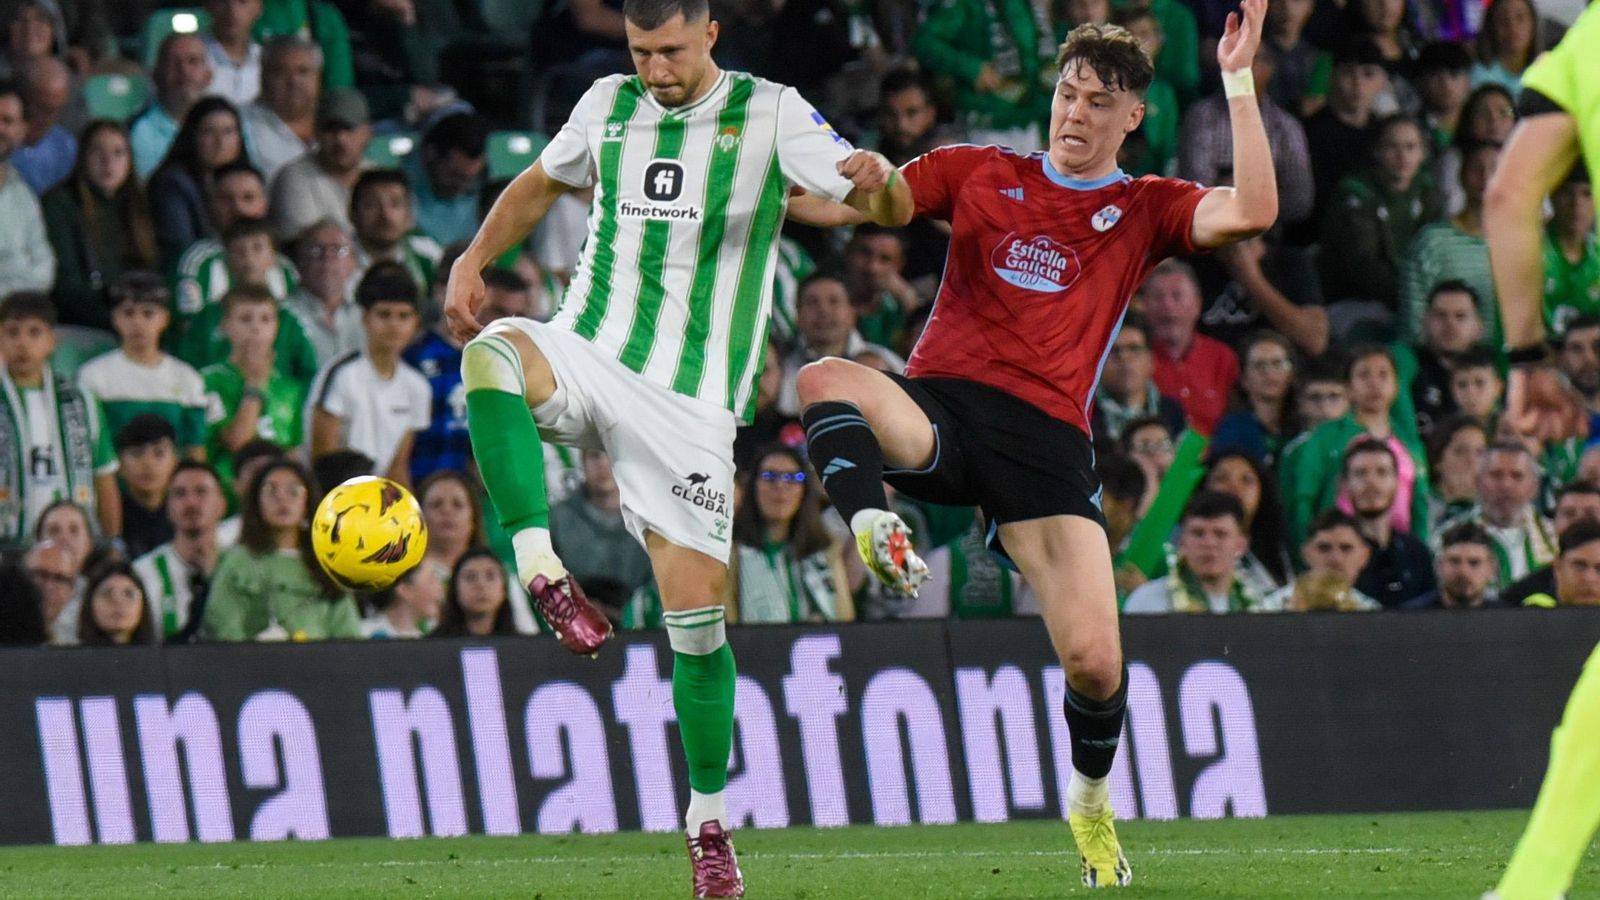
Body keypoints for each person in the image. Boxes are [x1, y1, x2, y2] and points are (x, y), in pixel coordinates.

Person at [791, 5, 1279, 885]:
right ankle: (873, 527)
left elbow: (1253, 210)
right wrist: (863, 181)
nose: (1075, 112)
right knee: (825, 378)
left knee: (1095, 662)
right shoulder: (981, 170)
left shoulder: (1142, 207)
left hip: (1047, 442)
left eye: (1099, 101)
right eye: (1067, 92)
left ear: (1134, 117)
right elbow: (891, 200)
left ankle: (1090, 804)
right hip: (941, 407)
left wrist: (1237, 79)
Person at [442, 0, 911, 891]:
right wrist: (474, 258)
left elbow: (877, 203)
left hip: (691, 405)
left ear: (710, 35)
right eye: (639, 51)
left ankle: (706, 825)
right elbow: (541, 180)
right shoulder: (605, 104)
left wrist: (881, 178)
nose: (654, 70)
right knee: (492, 353)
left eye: (669, 51)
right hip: (589, 346)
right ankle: (542, 568)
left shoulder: (769, 111)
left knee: (697, 631)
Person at [0, 291, 120, 542]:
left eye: (34, 332)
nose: (23, 343)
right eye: (12, 333)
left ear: (52, 341)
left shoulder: (81, 401)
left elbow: (103, 475)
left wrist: (111, 542)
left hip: (71, 543)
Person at [1284, 345, 1429, 547]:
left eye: (1383, 375)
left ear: (1396, 386)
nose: (1374, 383)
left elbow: (1420, 507)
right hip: (1339, 553)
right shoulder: (1326, 437)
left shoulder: (1409, 445)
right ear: (1349, 388)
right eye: (1364, 375)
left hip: (1398, 553)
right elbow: (1303, 502)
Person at [200, 458, 359, 640]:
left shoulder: (328, 567)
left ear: (307, 503)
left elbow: (349, 639)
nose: (282, 498)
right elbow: (223, 628)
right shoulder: (237, 564)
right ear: (256, 502)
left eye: (293, 491)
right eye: (271, 490)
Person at [406, 266, 536, 483]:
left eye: (518, 316)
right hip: (420, 490)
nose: (508, 323)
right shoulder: (416, 355)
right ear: (475, 301)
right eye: (499, 311)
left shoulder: (516, 367)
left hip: (481, 498)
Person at [307, 261, 430, 485]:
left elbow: (398, 467)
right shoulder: (341, 374)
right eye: (384, 315)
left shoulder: (417, 387)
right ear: (365, 318)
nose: (394, 324)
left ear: (416, 323)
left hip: (380, 502)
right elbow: (323, 461)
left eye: (404, 316)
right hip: (337, 494)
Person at [1319, 115, 1443, 330]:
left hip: (1414, 301)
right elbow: (1363, 265)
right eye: (1391, 147)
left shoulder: (1426, 189)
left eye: (1411, 147)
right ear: (1376, 151)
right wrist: (1416, 299)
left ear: (1423, 153)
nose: (1402, 156)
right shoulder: (1355, 193)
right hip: (1357, 300)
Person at [41, 120, 157, 331]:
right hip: (81, 324)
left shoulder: (139, 206)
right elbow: (67, 289)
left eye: (118, 153)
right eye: (98, 152)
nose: (108, 162)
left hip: (134, 323)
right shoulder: (60, 205)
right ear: (82, 158)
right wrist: (122, 322)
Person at [76, 272, 208, 454]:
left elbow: (195, 449)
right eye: (128, 313)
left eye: (148, 313)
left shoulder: (187, 378)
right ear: (115, 318)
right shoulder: (94, 375)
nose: (138, 322)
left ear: (165, 319)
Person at [725, 444, 852, 623]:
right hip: (753, 648)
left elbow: (844, 619)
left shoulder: (825, 548)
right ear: (753, 485)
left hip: (814, 649)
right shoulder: (730, 548)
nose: (780, 486)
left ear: (805, 490)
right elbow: (728, 622)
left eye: (793, 477)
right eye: (769, 476)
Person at [201, 286, 307, 497]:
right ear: (225, 325)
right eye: (246, 319)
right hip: (228, 499)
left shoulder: (290, 389)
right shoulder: (207, 382)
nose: (256, 328)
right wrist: (254, 386)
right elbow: (239, 443)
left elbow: (293, 452)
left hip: (276, 500)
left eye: (266, 319)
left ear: (276, 327)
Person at [1398, 141, 1502, 346]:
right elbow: (1414, 325)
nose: (1486, 177)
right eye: (1476, 169)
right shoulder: (1432, 242)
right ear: (1461, 177)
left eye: (1496, 169)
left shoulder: (1526, 245)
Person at [777, 273, 903, 416]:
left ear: (852, 313)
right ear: (797, 314)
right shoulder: (780, 368)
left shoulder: (885, 361)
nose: (823, 311)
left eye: (834, 301)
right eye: (812, 302)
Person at [1435, 442, 1556, 590]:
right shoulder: (1448, 537)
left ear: (1534, 487)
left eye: (1517, 476)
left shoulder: (1555, 536)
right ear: (1478, 481)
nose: (1506, 485)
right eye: (1496, 475)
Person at [132, 459, 227, 641]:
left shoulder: (242, 570)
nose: (190, 502)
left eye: (201, 492)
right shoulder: (143, 573)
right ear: (168, 508)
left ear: (221, 505)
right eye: (179, 494)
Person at [148, 98, 247, 269]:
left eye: (228, 132)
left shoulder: (247, 181)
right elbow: (182, 250)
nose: (220, 143)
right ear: (192, 136)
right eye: (209, 132)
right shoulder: (173, 184)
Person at [1145, 258, 1241, 435]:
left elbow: (1236, 419)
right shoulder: (1138, 360)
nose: (1167, 306)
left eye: (1177, 296)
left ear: (1197, 304)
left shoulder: (1222, 357)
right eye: (1158, 298)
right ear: (1145, 307)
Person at [1123, 491, 1260, 614]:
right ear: (1182, 542)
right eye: (1198, 533)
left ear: (1241, 544)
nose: (1208, 543)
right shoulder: (1148, 601)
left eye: (1220, 534)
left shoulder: (1259, 605)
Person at [1342, 437, 1436, 607]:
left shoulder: (1417, 553)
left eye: (1382, 472)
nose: (1371, 482)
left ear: (1396, 482)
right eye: (1360, 473)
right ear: (1345, 484)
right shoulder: (1335, 552)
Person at [267, 87, 370, 241]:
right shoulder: (294, 178)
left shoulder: (375, 174)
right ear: (316, 132)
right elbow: (312, 244)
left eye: (349, 129)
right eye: (331, 130)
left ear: (367, 133)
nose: (340, 139)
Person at [1396, 281, 1486, 438]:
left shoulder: (1493, 369)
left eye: (1460, 316)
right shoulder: (1407, 366)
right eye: (1440, 315)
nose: (1450, 324)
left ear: (1478, 327)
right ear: (1424, 323)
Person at [1202, 449, 1292, 596]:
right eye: (1221, 478)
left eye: (1247, 480)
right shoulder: (1189, 543)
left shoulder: (1277, 546)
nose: (1234, 487)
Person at [1498, 481, 1600, 608]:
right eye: (1569, 513)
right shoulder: (1520, 597)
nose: (1578, 521)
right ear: (1553, 523)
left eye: (1590, 514)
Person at [1090, 312, 1186, 443]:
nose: (1124, 358)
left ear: (1151, 360)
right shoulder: (1085, 414)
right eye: (1114, 350)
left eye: (1134, 348)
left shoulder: (1172, 412)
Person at [129, 33, 214, 179]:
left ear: (208, 75)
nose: (184, 71)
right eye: (173, 63)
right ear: (156, 76)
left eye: (193, 61)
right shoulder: (137, 131)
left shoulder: (231, 124)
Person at [1262, 509, 1382, 611]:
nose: (1335, 559)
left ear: (1365, 555)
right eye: (1324, 548)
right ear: (1306, 553)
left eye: (1346, 548)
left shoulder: (1373, 612)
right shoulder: (1268, 610)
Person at [0, 81, 55, 298]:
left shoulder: (23, 194)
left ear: (22, 129)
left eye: (7, 121)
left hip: (18, 315)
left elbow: (45, 269)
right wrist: (19, 271)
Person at [1211, 331, 1297, 468]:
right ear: (1244, 379)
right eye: (1259, 365)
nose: (1269, 372)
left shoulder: (1303, 422)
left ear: (1292, 373)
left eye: (1277, 363)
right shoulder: (1233, 429)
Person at [242, 36, 320, 186]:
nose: (293, 81)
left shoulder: (336, 122)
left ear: (318, 77)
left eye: (303, 71)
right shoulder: (239, 123)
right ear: (262, 76)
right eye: (280, 72)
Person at [283, 219, 363, 366]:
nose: (327, 257)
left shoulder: (365, 315)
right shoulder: (281, 316)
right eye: (316, 249)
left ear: (353, 263)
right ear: (299, 261)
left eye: (338, 250)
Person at [350, 168, 443, 292]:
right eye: (372, 204)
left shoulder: (428, 253)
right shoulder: (336, 257)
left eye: (395, 204)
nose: (386, 215)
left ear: (409, 213)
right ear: (353, 214)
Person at [406, 111, 489, 247]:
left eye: (470, 179)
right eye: (455, 175)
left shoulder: (485, 192)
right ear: (430, 154)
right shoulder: (401, 188)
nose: (462, 186)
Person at [113, 415, 180, 560]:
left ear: (175, 462)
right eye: (136, 453)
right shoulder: (111, 516)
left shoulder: (184, 512)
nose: (148, 463)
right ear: (120, 464)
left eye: (159, 453)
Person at [1541, 170, 1599, 333]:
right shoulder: (1529, 253)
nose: (1576, 204)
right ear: (1552, 196)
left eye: (1587, 194)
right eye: (1566, 192)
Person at [11, 57, 75, 195]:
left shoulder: (65, 146)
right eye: (41, 107)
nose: (48, 117)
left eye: (55, 110)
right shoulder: (4, 141)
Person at [1403, 520, 1500, 609]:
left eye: (1474, 563)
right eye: (1454, 561)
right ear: (1439, 566)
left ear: (1491, 569)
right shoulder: (1409, 617)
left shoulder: (1508, 619)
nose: (1463, 571)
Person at [428, 547, 518, 637]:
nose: (481, 585)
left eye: (490, 576)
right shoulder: (432, 646)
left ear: (504, 589)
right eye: (470, 577)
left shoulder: (522, 646)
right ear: (455, 589)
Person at [1427, 414, 1489, 529]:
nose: (1472, 460)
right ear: (1437, 461)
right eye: (1460, 451)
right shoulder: (1420, 507)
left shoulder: (1494, 511)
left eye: (1480, 453)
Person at [201, 0, 264, 109]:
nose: (232, 11)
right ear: (208, 5)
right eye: (223, 2)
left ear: (259, 7)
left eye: (243, 1)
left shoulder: (267, 61)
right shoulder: (190, 59)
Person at [76, 561, 157, 645]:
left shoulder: (163, 655)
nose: (118, 602)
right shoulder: (71, 656)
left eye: (129, 594)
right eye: (107, 594)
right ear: (89, 604)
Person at [1471, 0, 1539, 96]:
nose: (1512, 27)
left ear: (1533, 23)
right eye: (1503, 20)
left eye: (1520, 18)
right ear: (1491, 27)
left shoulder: (1546, 70)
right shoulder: (1479, 76)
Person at [361, 564, 444, 638]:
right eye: (431, 580)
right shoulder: (363, 634)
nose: (440, 588)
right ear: (404, 589)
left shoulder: (433, 637)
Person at [25, 538, 80, 644]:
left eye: (60, 578)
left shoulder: (74, 644)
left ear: (72, 591)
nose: (48, 586)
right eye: (40, 575)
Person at [1448, 345, 1504, 427]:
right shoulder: (1443, 433)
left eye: (1479, 383)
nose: (1470, 392)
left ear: (1498, 387)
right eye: (1462, 385)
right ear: (1451, 389)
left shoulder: (1513, 428)